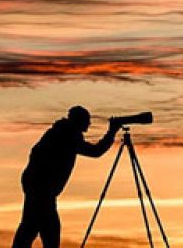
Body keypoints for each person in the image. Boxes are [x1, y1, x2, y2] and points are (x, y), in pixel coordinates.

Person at [11, 105, 117, 248]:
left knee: (30, 228)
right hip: (43, 190)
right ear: (79, 121)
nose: (89, 124)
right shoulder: (67, 135)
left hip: (38, 189)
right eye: (87, 121)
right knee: (47, 231)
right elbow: (95, 151)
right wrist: (111, 133)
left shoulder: (58, 132)